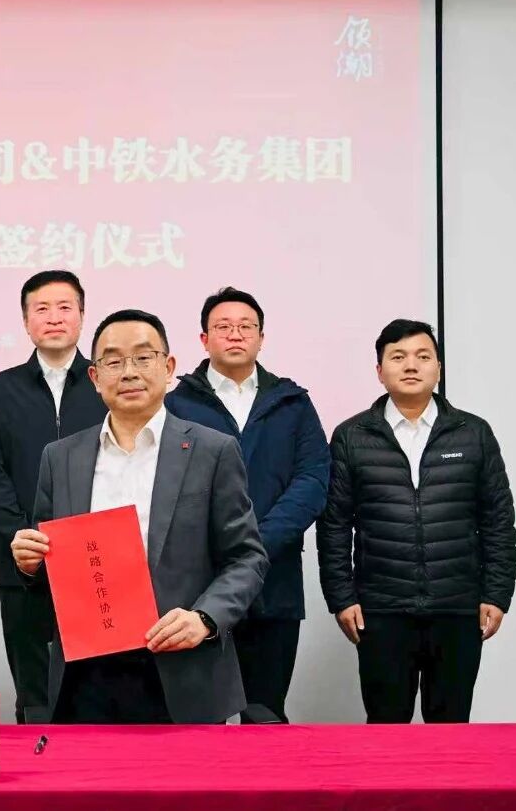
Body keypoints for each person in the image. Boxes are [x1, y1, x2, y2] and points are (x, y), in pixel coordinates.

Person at [12, 309, 267, 724]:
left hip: (181, 666)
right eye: (113, 361)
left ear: (168, 368)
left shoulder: (212, 450)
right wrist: (29, 563)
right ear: (95, 377)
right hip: (86, 676)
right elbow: (50, 569)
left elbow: (247, 557)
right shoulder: (60, 458)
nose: (129, 372)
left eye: (144, 357)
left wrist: (205, 618)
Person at [317, 319, 516, 723]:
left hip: (457, 607)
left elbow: (497, 520)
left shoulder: (473, 434)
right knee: (386, 729)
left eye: (423, 356)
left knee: (451, 728)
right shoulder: (351, 436)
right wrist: (342, 598)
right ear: (380, 371)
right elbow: (333, 524)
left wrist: (496, 595)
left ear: (438, 368)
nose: (411, 365)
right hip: (381, 610)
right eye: (398, 357)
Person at [165, 287, 329, 722]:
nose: (235, 334)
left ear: (261, 337)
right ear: (204, 339)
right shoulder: (176, 404)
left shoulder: (292, 403)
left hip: (274, 580)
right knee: (201, 719)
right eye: (223, 327)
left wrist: (255, 543)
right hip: (199, 583)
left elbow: (313, 479)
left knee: (265, 713)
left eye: (245, 327)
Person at [0, 270, 107, 723]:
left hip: (95, 559)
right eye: (42, 309)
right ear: (25, 320)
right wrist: (24, 541)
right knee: (33, 689)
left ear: (82, 316)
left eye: (65, 307)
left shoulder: (106, 383)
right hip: (21, 563)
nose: (54, 318)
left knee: (97, 682)